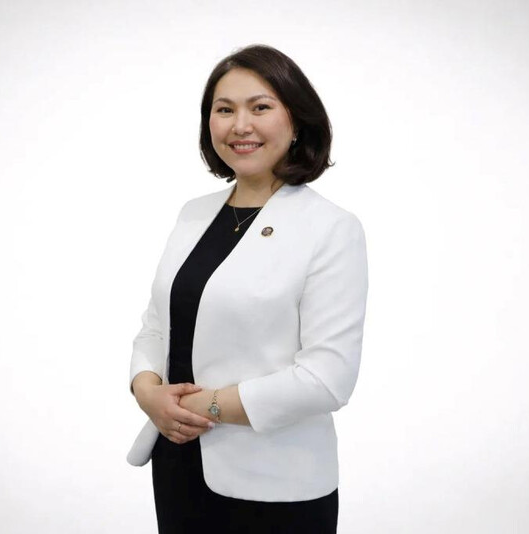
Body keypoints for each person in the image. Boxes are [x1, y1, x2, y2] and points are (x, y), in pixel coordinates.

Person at [127, 44, 368, 533]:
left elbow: (328, 378)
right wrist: (146, 390)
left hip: (275, 483)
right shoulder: (194, 214)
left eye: (260, 107)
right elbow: (157, 327)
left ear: (296, 121)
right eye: (224, 110)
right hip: (179, 463)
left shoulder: (330, 228)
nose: (240, 125)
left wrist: (204, 405)